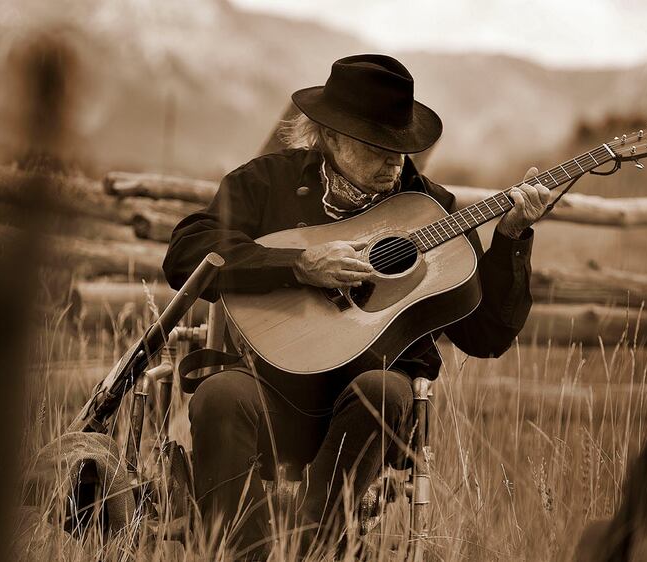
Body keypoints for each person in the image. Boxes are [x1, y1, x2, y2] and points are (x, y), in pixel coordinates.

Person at [162, 54, 550, 558]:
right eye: (377, 147)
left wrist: (512, 238)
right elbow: (187, 254)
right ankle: (242, 551)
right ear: (331, 135)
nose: (395, 162)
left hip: (371, 403)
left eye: (402, 148)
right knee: (219, 396)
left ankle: (309, 548)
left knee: (382, 391)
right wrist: (297, 264)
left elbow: (488, 336)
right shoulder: (265, 182)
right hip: (272, 385)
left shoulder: (433, 210)